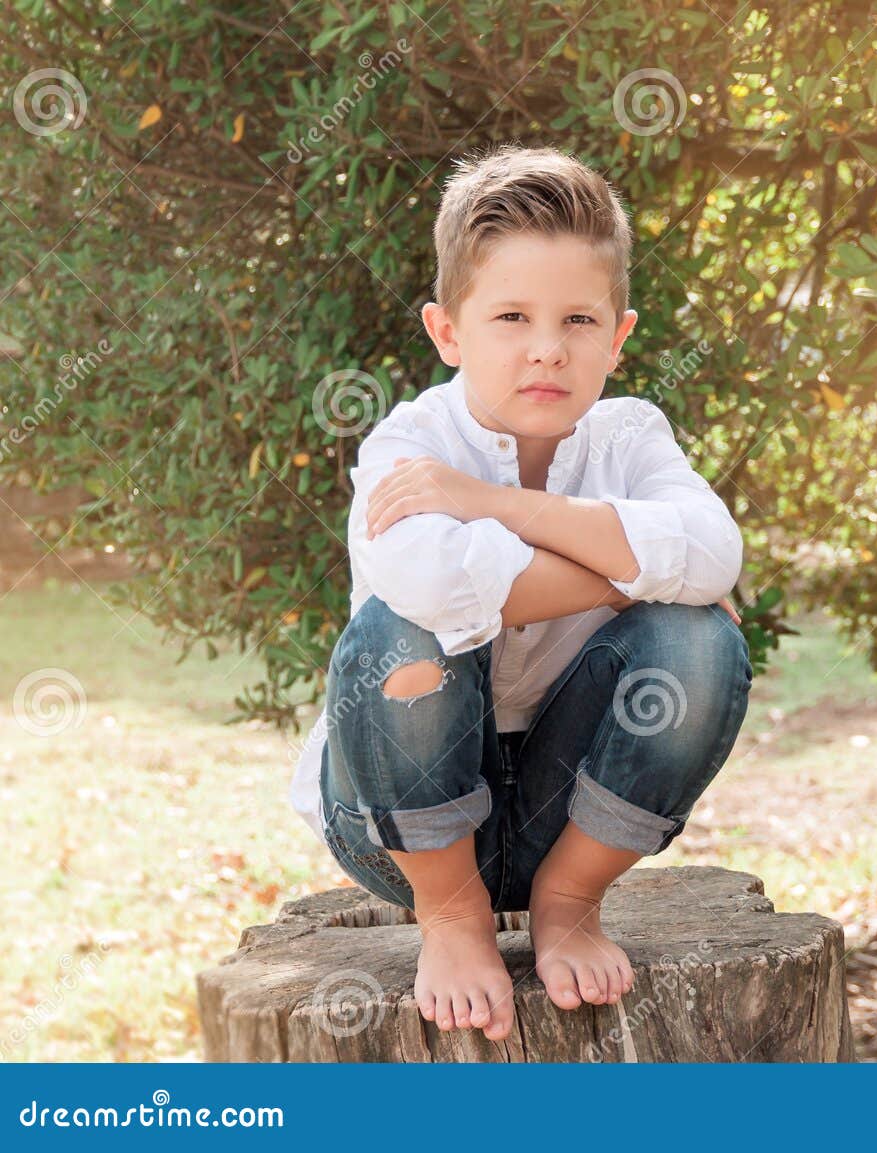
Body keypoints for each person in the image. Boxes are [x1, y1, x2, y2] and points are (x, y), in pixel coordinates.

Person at [287, 143, 751, 1043]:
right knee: (402, 639)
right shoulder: (407, 447)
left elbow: (715, 549)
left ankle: (569, 904)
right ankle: (453, 919)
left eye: (580, 319)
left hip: (569, 808)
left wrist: (496, 506)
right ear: (448, 332)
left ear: (619, 336)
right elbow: (429, 584)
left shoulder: (631, 436)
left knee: (700, 642)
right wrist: (630, 578)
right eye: (510, 316)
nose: (548, 348)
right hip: (399, 815)